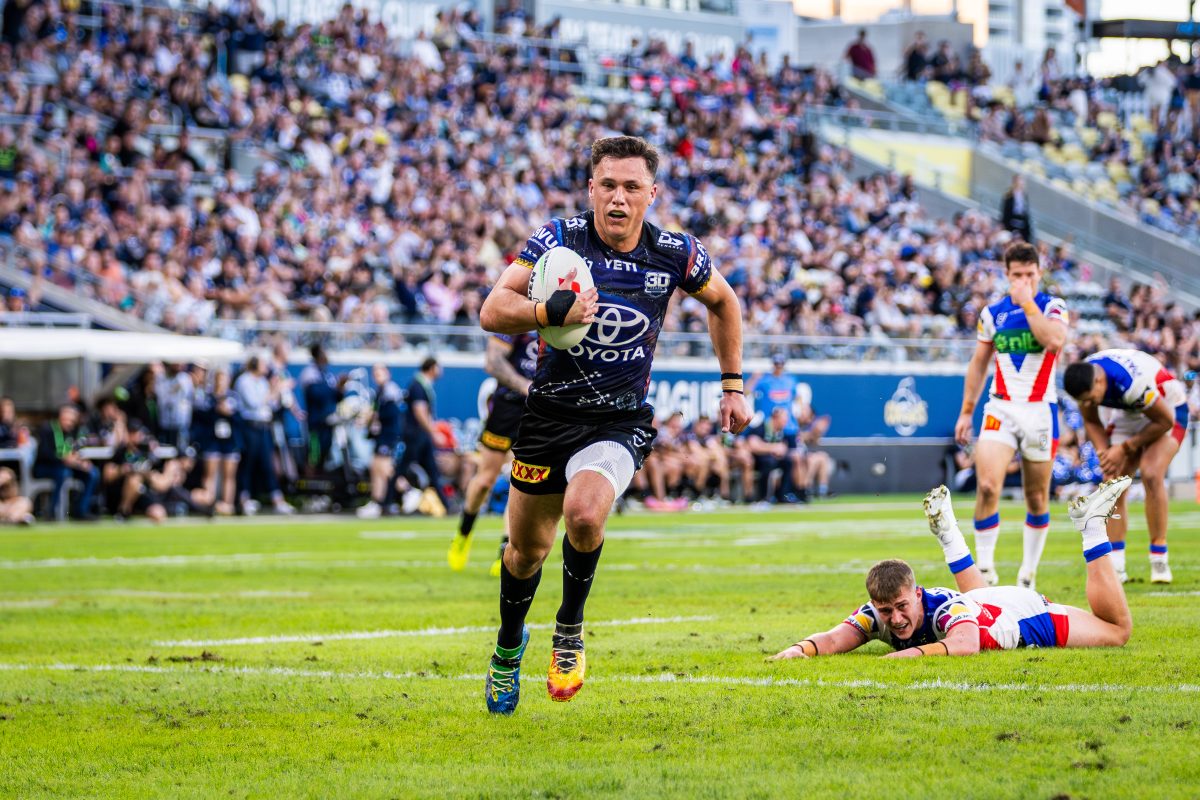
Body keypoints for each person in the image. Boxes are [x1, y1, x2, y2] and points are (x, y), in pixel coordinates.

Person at [477, 135, 750, 714]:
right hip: (548, 417)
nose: (619, 198)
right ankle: (507, 648)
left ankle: (569, 631)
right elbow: (491, 309)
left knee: (584, 513)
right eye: (608, 185)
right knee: (525, 552)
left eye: (632, 187)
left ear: (652, 194)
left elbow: (725, 302)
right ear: (591, 188)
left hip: (618, 421)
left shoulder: (675, 252)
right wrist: (545, 312)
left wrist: (732, 385)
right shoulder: (558, 241)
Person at [769, 478, 1133, 660]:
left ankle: (1092, 528)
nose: (894, 619)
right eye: (885, 611)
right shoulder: (875, 614)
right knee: (973, 599)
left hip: (1026, 614)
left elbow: (966, 644)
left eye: (901, 607)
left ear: (917, 593)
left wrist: (901, 656)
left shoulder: (943, 606)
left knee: (1117, 632)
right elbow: (834, 639)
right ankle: (948, 533)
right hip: (983, 601)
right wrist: (799, 650)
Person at [955, 242, 1068, 590]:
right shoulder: (991, 314)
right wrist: (966, 412)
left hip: (1039, 411)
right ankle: (985, 573)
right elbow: (978, 364)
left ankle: (1028, 574)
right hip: (1000, 407)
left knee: (1036, 498)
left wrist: (1028, 302)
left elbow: (1054, 341)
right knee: (987, 485)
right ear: (1006, 275)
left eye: (1029, 275)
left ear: (1039, 274)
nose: (1023, 281)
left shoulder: (1052, 307)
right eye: (1017, 275)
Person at [1062, 349, 1188, 583]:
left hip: (1167, 408)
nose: (1088, 404)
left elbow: (1164, 421)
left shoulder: (1130, 381)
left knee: (1151, 473)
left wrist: (1125, 448)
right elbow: (1090, 420)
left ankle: (1159, 556)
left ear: (1099, 381)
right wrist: (1103, 452)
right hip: (1129, 413)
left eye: (1091, 398)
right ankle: (1117, 562)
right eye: (1084, 401)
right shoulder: (1085, 380)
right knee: (1113, 480)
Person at [448, 331, 538, 574]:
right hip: (507, 405)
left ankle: (505, 551)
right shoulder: (518, 317)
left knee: (521, 481)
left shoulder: (559, 319)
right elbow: (492, 361)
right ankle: (463, 533)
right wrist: (524, 386)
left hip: (537, 410)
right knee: (485, 479)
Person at [233, 356, 294, 515]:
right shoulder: (244, 381)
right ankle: (244, 499)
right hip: (250, 426)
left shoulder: (262, 382)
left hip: (264, 426)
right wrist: (273, 390)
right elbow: (255, 403)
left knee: (268, 463)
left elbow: (272, 405)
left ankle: (277, 499)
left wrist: (277, 390)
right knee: (248, 464)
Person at [33, 404, 100, 520]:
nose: (69, 422)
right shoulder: (48, 429)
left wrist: (80, 462)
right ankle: (52, 511)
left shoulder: (72, 432)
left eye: (72, 420)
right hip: (45, 467)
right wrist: (62, 459)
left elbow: (74, 451)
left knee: (92, 473)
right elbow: (43, 454)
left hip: (66, 467)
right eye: (66, 419)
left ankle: (80, 510)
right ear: (60, 417)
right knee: (63, 473)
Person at [357, 363, 404, 520]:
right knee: (376, 467)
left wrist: (370, 417)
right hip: (382, 435)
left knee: (384, 467)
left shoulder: (390, 390)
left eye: (381, 371)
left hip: (388, 436)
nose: (378, 375)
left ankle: (408, 491)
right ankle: (377, 502)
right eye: (375, 372)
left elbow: (388, 415)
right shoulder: (380, 391)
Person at [300, 344, 346, 471]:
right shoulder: (309, 373)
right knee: (313, 453)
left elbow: (336, 397)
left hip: (327, 422)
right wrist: (334, 388)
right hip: (315, 422)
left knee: (325, 451)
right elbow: (316, 394)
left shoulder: (327, 374)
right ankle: (310, 479)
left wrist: (341, 389)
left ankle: (319, 474)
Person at [1001, 174, 1034, 243]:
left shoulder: (1024, 196)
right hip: (1011, 222)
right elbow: (1005, 212)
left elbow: (1026, 212)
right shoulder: (1009, 195)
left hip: (1022, 223)